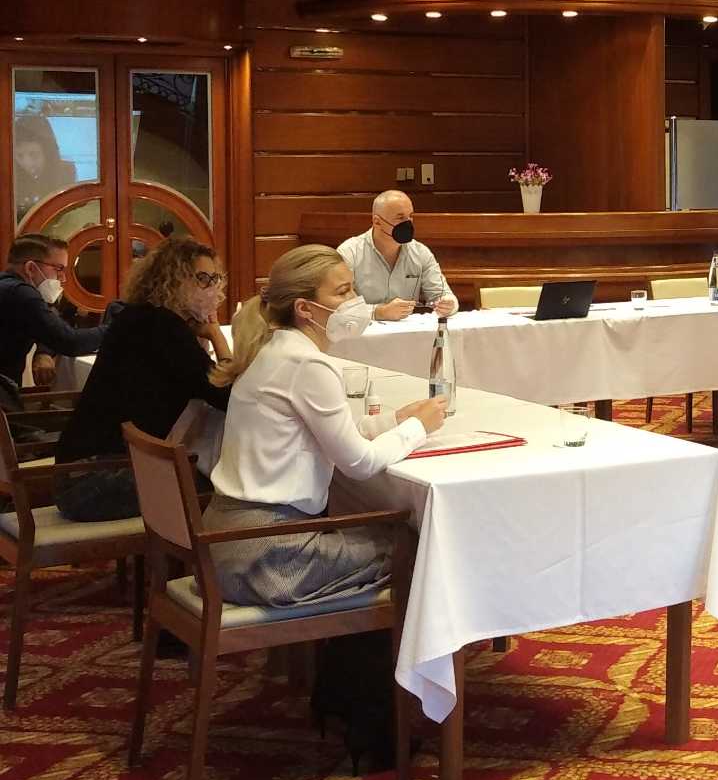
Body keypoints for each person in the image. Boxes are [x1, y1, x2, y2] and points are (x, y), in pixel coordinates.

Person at [206, 244, 446, 609]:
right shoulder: (307, 364)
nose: (355, 301)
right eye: (342, 292)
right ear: (304, 308)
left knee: (379, 533)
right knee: (421, 544)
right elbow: (360, 464)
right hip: (270, 555)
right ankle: (384, 648)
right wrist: (417, 428)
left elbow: (329, 433)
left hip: (227, 542)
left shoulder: (272, 348)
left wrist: (394, 421)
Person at [53, 237, 234, 521]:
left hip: (76, 472)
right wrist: (216, 336)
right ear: (173, 280)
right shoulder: (165, 328)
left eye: (215, 279)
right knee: (225, 483)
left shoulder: (138, 317)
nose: (211, 289)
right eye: (202, 279)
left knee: (206, 472)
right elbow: (226, 396)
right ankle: (191, 548)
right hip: (94, 483)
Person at [0, 235, 107, 394]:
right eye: (59, 269)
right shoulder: (22, 294)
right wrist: (115, 328)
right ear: (31, 268)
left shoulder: (7, 287)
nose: (63, 278)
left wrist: (43, 352)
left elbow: (48, 326)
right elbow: (70, 342)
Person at [336, 192, 457, 322]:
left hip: (405, 331)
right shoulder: (349, 253)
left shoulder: (421, 253)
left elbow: (443, 294)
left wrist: (448, 305)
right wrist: (379, 312)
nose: (408, 223)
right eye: (400, 218)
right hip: (362, 330)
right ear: (377, 222)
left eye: (410, 217)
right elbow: (339, 306)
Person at [12, 114, 75, 221]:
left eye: (34, 154)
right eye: (19, 155)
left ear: (48, 153)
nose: (27, 163)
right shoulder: (10, 173)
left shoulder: (65, 172)